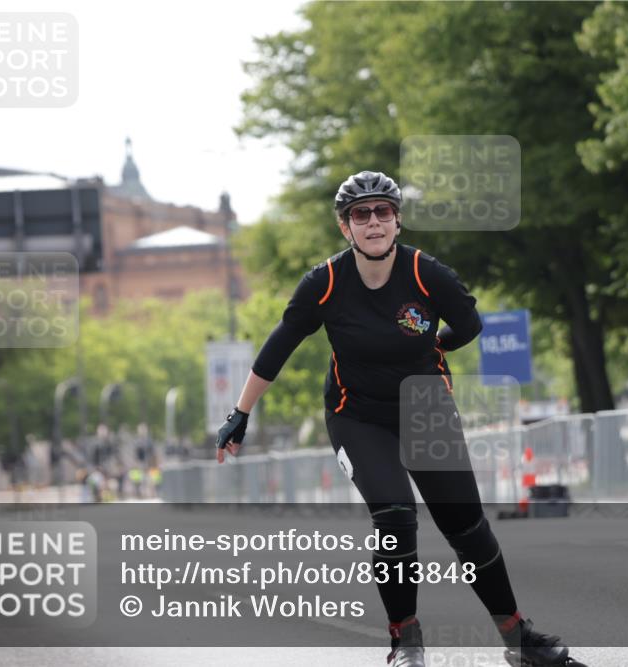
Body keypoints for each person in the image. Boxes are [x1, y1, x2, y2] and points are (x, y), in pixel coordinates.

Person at [216, 172, 585, 667]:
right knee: (394, 518)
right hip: (357, 417)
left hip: (426, 410)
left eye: (382, 212)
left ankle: (519, 640)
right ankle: (405, 642)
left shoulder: (425, 273)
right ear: (345, 227)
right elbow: (277, 349)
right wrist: (239, 414)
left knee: (468, 529)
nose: (373, 222)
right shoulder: (324, 283)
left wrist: (438, 342)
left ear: (397, 221)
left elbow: (469, 324)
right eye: (360, 214)